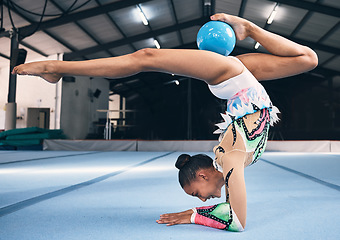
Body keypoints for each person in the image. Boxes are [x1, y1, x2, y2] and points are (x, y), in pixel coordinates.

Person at [12, 13, 318, 231]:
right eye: (199, 195)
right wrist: (195, 214)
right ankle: (248, 28)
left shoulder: (228, 160)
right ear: (201, 173)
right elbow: (237, 222)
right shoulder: (231, 162)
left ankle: (57, 66)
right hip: (236, 77)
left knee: (147, 57)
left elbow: (230, 213)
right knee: (147, 56)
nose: (207, 196)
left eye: (199, 195)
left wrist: (193, 214)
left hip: (233, 79)